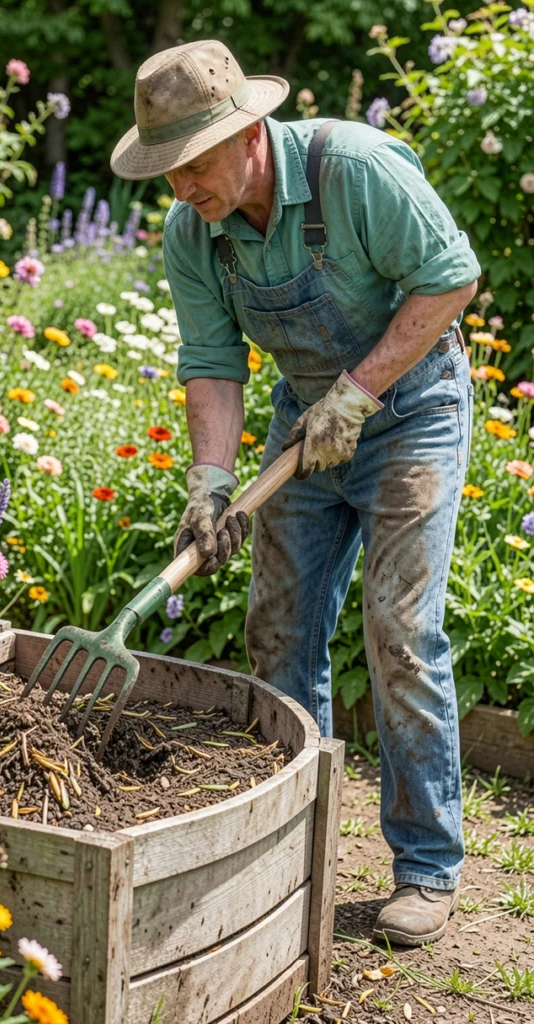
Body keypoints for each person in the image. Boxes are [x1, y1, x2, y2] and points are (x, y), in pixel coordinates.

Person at [111, 39, 480, 946]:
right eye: (165, 173)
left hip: (412, 410)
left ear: (246, 136)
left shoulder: (353, 166)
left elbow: (451, 277)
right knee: (276, 631)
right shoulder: (193, 229)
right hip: (303, 422)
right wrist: (210, 480)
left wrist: (360, 393)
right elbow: (210, 362)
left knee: (397, 631)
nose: (180, 189)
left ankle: (426, 868)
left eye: (191, 166)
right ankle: (293, 839)